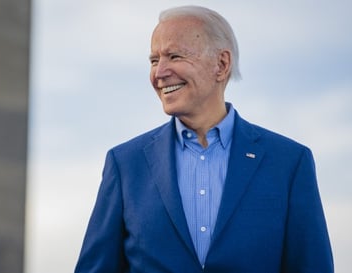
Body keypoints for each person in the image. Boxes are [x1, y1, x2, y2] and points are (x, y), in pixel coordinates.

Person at [75, 5, 333, 273]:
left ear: (221, 65)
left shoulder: (289, 162)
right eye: (154, 60)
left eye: (174, 56)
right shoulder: (125, 164)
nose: (159, 73)